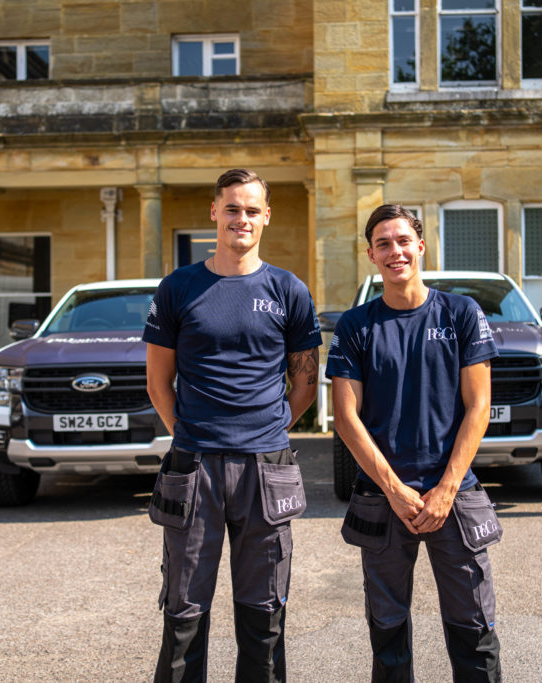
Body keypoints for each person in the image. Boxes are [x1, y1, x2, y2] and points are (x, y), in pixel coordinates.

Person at [143, 168, 321, 682]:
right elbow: (159, 383)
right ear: (214, 212)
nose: (240, 218)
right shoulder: (179, 288)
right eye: (231, 207)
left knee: (264, 612)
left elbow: (305, 382)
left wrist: (268, 432)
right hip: (194, 466)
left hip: (266, 469)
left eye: (251, 209)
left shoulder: (288, 290)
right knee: (183, 611)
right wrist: (192, 432)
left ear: (266, 217)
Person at [326, 204, 503, 682]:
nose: (395, 251)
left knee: (475, 628)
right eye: (383, 243)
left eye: (403, 240)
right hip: (384, 502)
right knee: (387, 633)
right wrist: (395, 489)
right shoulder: (356, 326)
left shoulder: (461, 313)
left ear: (421, 246)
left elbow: (478, 407)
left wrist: (445, 489)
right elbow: (345, 417)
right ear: (370, 254)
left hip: (455, 494)